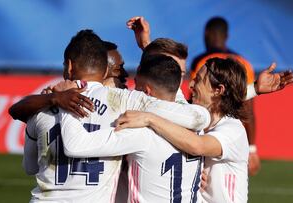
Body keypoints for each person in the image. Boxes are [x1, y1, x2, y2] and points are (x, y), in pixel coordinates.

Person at [21, 29, 211, 202]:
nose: (124, 77)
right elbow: (197, 116)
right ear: (105, 71)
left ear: (70, 67)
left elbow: (30, 167)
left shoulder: (42, 106)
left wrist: (56, 100)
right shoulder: (125, 104)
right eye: (119, 69)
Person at [114, 57, 293, 203]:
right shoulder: (196, 120)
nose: (191, 86)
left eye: (198, 80)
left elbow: (198, 146)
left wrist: (149, 118)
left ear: (218, 90)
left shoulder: (233, 130)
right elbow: (165, 88)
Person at [58, 54, 205, 202]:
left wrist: (65, 102)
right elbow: (199, 115)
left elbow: (75, 146)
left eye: (136, 86)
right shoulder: (199, 131)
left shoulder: (140, 133)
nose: (132, 91)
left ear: (146, 92)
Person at [191, 16, 260, 175]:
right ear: (226, 36)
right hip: (234, 140)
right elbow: (248, 109)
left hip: (205, 135)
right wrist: (252, 148)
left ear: (206, 34)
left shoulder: (201, 61)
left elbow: (195, 101)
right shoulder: (243, 63)